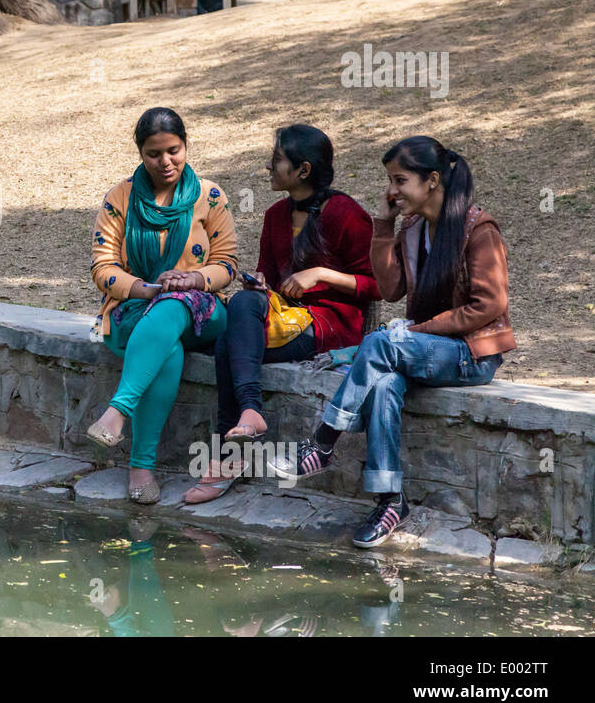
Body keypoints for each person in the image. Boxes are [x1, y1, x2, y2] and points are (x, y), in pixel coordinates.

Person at [274, 137, 514, 548]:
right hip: (423, 350)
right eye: (390, 180)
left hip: (471, 354)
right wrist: (384, 226)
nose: (392, 190)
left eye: (400, 180)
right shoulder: (414, 228)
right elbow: (389, 289)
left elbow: (489, 305)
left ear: (433, 180)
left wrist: (414, 332)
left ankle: (324, 440)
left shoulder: (478, 229)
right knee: (383, 383)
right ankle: (390, 501)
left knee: (383, 343)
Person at [184, 125, 379, 504]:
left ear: (302, 170)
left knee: (228, 343)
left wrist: (320, 274)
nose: (267, 168)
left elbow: (378, 286)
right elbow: (267, 279)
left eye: (276, 161)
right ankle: (249, 415)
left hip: (330, 324)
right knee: (241, 308)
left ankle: (231, 451)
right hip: (279, 317)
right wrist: (259, 284)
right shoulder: (275, 215)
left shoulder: (347, 214)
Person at [86, 107, 238, 504]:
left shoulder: (211, 196)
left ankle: (118, 412)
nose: (166, 162)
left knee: (173, 307)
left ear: (185, 145)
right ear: (140, 154)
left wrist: (192, 280)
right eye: (154, 154)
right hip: (135, 307)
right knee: (167, 345)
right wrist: (145, 289)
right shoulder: (120, 198)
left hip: (202, 310)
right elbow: (102, 268)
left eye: (174, 150)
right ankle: (141, 468)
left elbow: (228, 264)